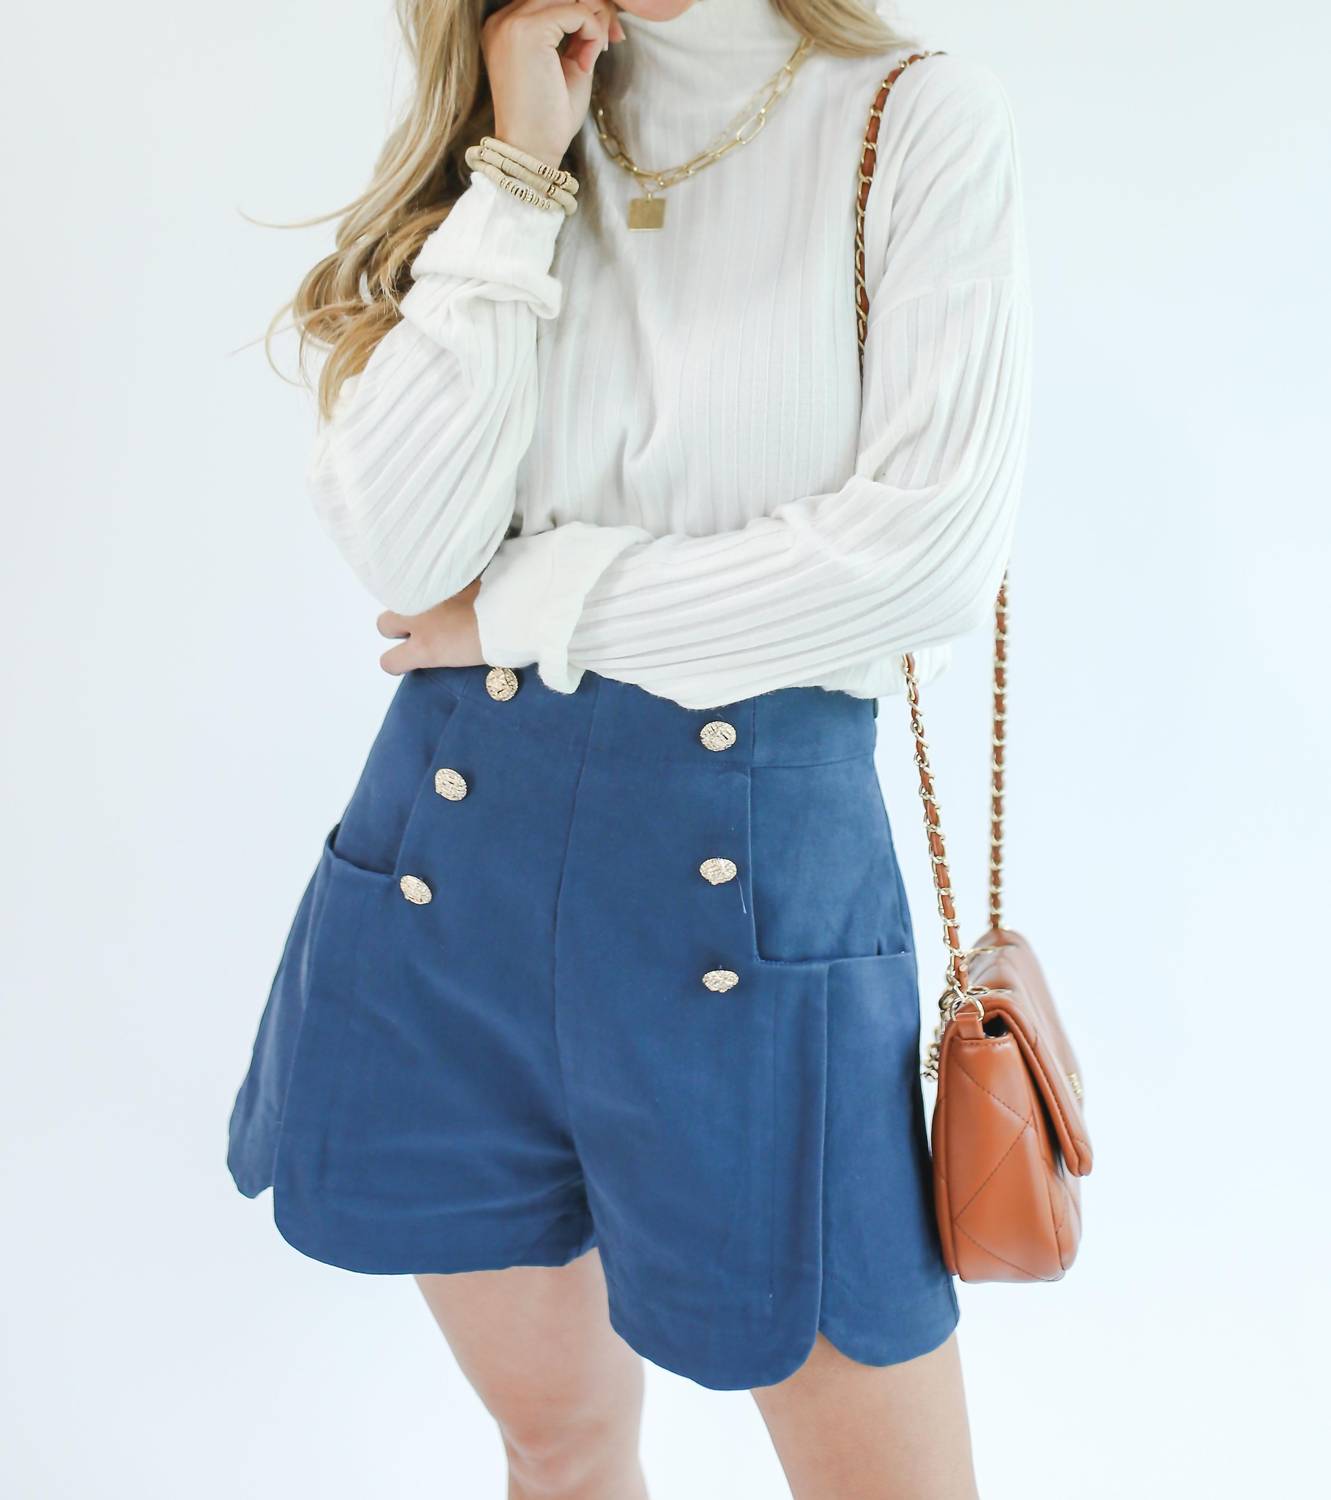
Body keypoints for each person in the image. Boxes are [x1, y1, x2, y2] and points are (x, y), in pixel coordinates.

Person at [228, 2, 1031, 1494]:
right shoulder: (530, 111)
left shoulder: (912, 115)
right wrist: (519, 173)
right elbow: (405, 551)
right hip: (448, 883)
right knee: (561, 1449)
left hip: (756, 900)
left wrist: (520, 606)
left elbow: (918, 565)